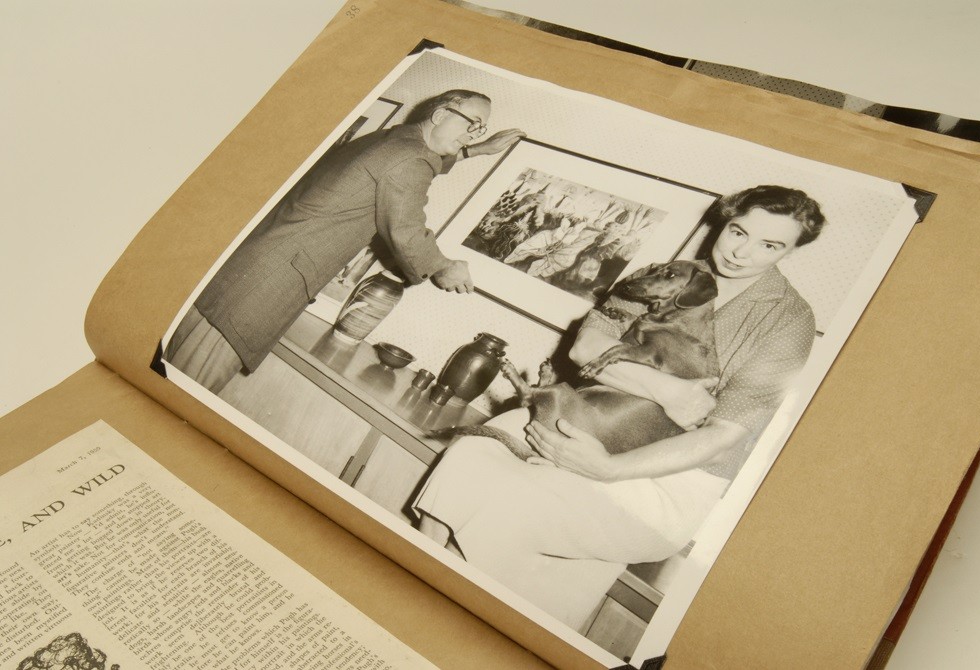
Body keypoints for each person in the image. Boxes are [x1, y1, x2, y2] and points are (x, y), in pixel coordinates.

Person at [413, 185, 826, 630]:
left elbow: (722, 434)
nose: (742, 253)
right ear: (724, 222)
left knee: (513, 504)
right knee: (467, 458)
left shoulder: (789, 321)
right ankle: (412, 595)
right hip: (591, 413)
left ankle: (449, 623)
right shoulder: (669, 274)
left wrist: (608, 468)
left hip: (669, 477)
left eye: (770, 245)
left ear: (791, 250)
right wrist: (668, 391)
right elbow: (586, 346)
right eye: (738, 231)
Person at [166, 89, 525, 393]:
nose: (475, 134)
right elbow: (407, 229)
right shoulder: (411, 158)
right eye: (471, 124)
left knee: (173, 366)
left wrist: (474, 151)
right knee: (185, 389)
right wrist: (443, 267)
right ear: (440, 113)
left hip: (249, 270)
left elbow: (418, 161)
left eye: (482, 129)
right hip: (262, 287)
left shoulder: (397, 139)